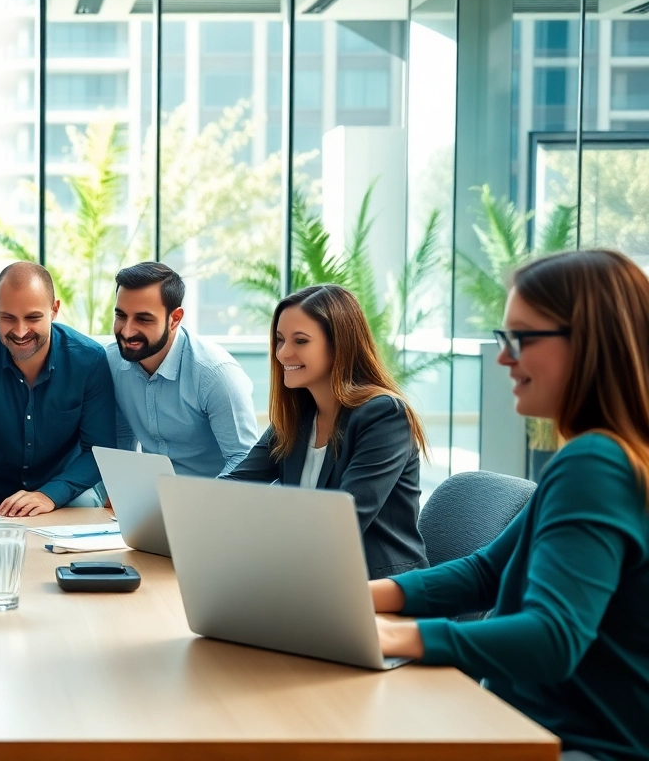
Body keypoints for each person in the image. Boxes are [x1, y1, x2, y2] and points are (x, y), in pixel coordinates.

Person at [373, 250, 649, 761]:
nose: (503, 357)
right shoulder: (606, 456)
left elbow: (553, 635)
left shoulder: (597, 463)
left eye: (521, 338)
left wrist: (402, 637)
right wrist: (357, 598)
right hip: (532, 730)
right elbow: (486, 573)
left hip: (572, 746)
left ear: (589, 343)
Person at [220, 283, 428, 580]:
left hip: (378, 589)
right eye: (280, 340)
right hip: (309, 578)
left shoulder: (384, 416)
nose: (283, 353)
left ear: (339, 345)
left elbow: (343, 521)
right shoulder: (297, 416)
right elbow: (231, 486)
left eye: (300, 341)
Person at [0, 261, 115, 517]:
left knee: (85, 514)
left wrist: (50, 494)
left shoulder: (89, 360)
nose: (20, 331)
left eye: (33, 317)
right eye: (8, 318)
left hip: (62, 483)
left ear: (54, 310)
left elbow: (99, 450)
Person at [109, 262, 260, 478]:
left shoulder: (216, 374)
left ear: (175, 319)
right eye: (121, 315)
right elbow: (121, 437)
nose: (127, 330)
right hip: (151, 498)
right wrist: (118, 486)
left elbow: (242, 458)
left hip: (210, 500)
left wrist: (200, 504)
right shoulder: (111, 362)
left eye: (143, 319)